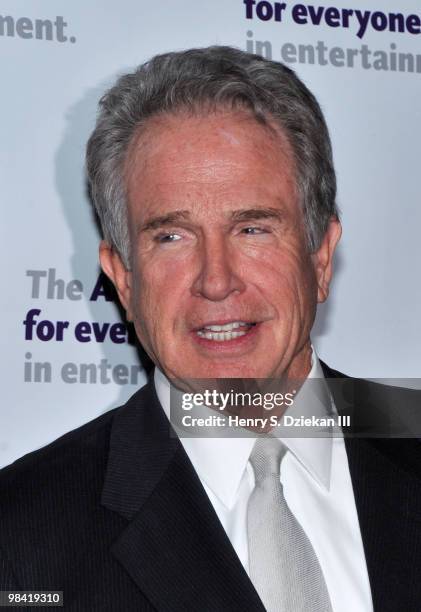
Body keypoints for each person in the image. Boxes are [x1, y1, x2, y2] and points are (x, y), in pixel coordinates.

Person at [1, 46, 420, 612]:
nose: (216, 281)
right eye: (171, 237)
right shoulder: (20, 538)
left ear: (321, 257)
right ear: (124, 279)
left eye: (252, 229)